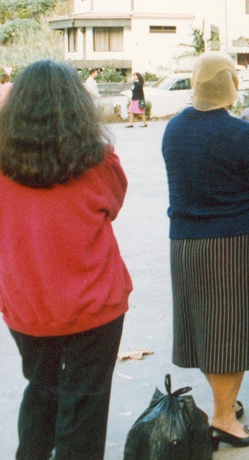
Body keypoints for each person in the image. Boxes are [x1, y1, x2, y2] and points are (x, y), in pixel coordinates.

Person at [0, 60, 130, 459]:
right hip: (95, 302)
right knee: (86, 405)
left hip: (28, 304)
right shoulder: (100, 162)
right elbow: (113, 205)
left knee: (41, 390)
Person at [162, 52, 249, 449]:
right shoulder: (238, 132)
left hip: (185, 246)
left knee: (208, 330)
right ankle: (224, 419)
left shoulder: (173, 128)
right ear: (230, 83)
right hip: (233, 245)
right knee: (232, 332)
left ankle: (224, 404)